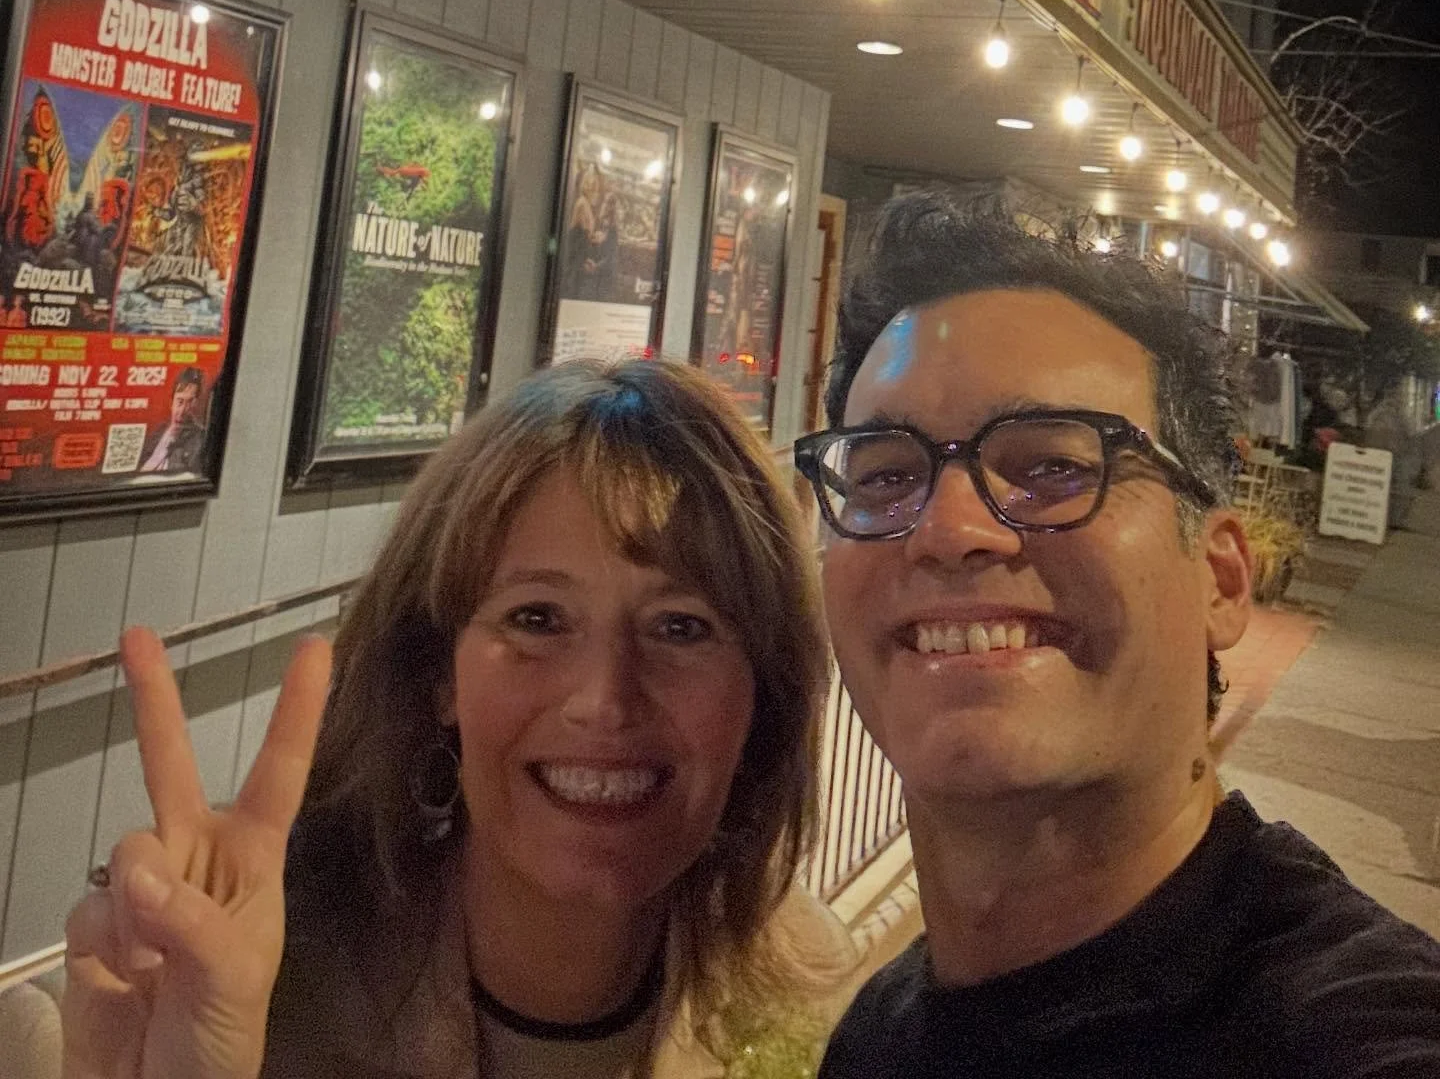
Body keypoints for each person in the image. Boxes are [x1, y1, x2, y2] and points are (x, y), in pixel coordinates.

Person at [796, 195, 1440, 1078]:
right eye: (886, 475)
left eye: (1053, 465)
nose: (948, 529)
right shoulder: (878, 1037)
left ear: (1219, 579)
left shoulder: (1339, 1028)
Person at [62, 359, 846, 1079]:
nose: (605, 702)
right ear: (439, 672)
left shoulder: (827, 1017)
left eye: (681, 626)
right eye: (537, 619)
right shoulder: (257, 991)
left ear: (762, 694)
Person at [136, 366, 208, 475]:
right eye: (180, 402)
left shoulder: (200, 439)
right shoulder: (159, 431)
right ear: (172, 403)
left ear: (196, 404)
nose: (182, 410)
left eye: (190, 403)